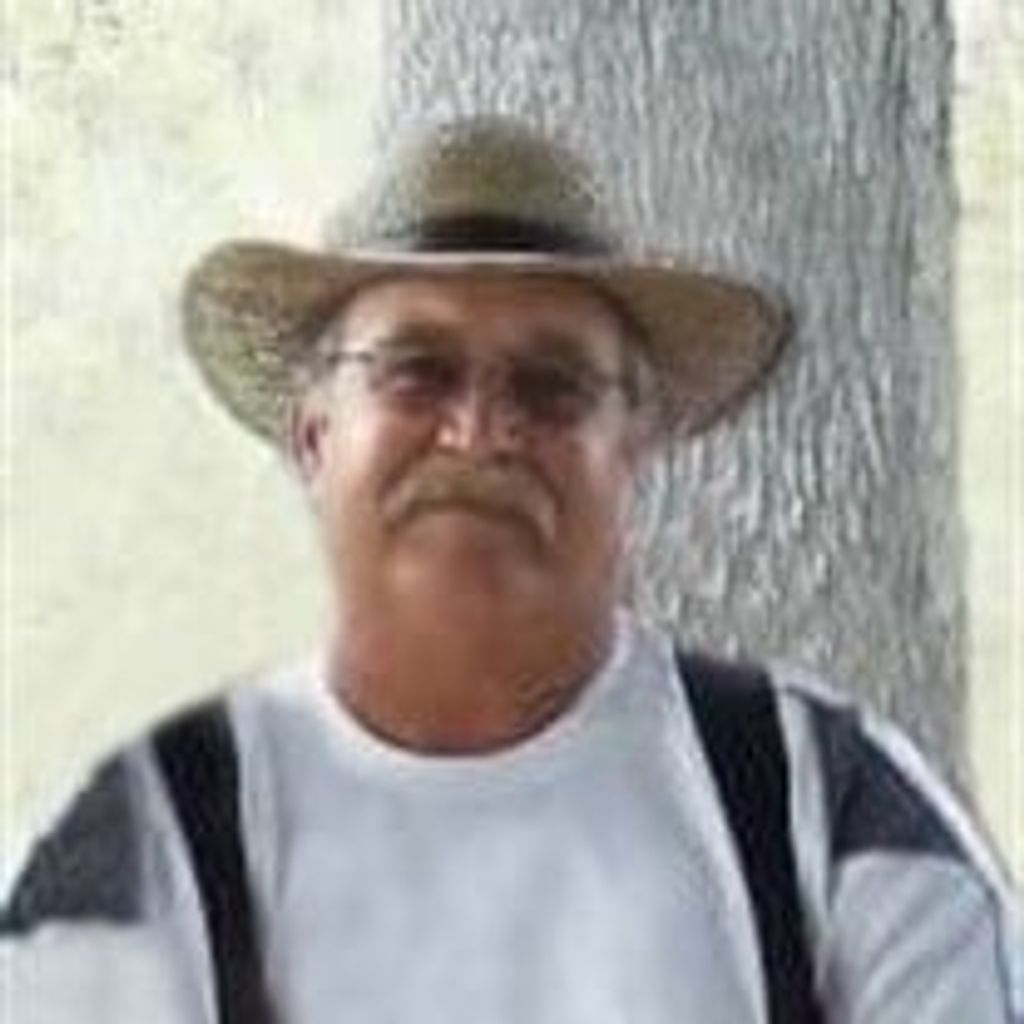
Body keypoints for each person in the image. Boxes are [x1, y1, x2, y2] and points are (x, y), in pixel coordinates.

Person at [2, 116, 1020, 1024]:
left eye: (552, 384)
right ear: (314, 437)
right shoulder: (139, 844)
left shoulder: (827, 807)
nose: (480, 429)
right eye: (417, 371)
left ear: (633, 449)